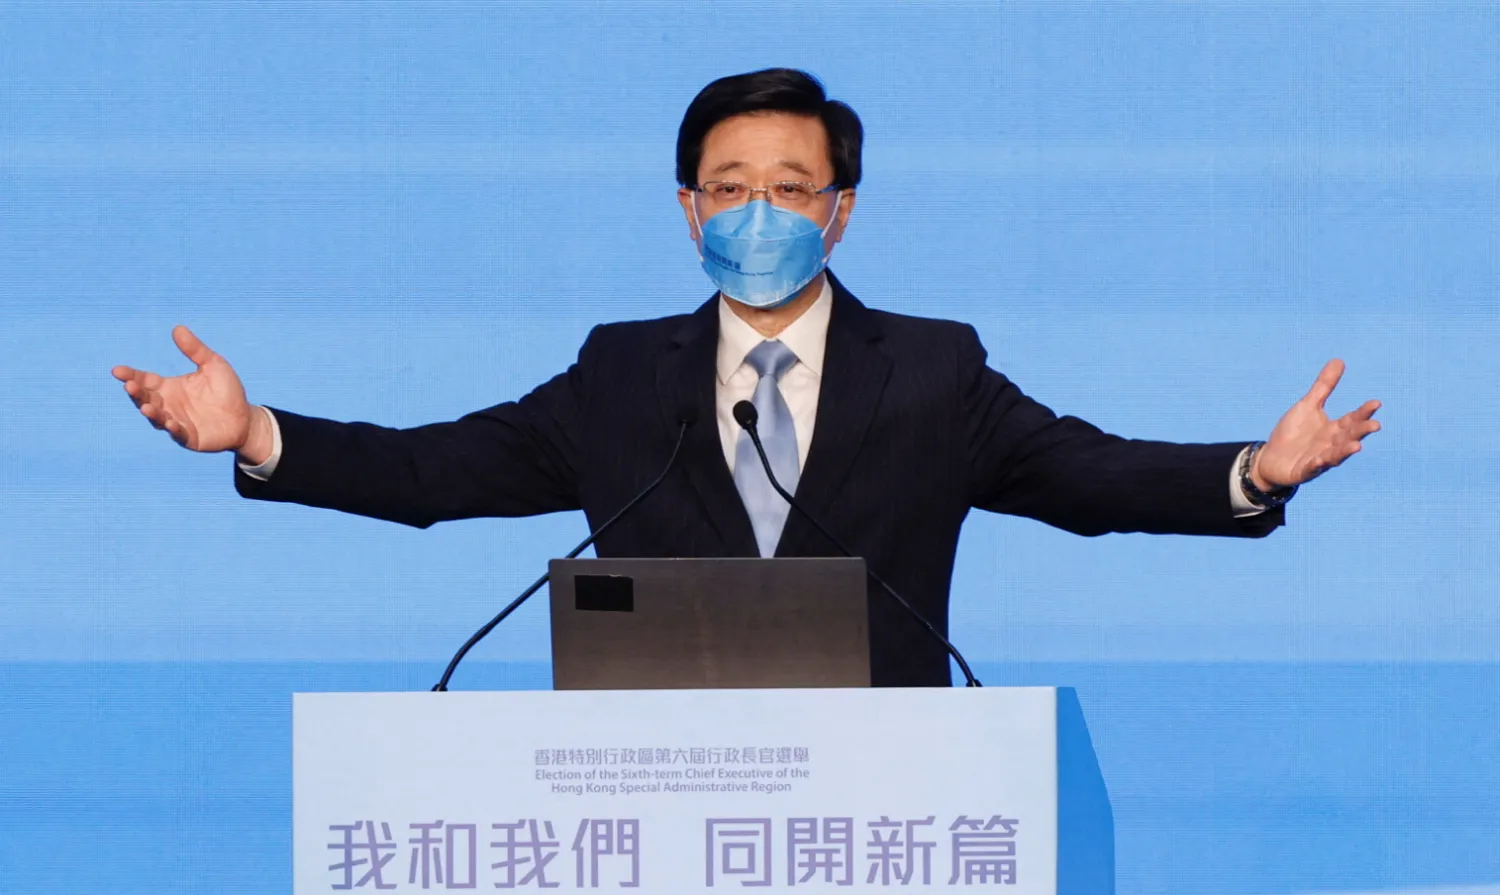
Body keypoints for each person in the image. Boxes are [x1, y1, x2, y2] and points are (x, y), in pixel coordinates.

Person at [112, 68, 1381, 687]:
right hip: (657, 810)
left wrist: (1255, 472)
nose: (757, 212)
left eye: (789, 189)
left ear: (839, 214)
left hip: (888, 823)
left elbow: (1087, 477)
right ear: (686, 210)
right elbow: (437, 470)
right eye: (730, 189)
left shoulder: (933, 370)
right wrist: (257, 430)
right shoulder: (621, 376)